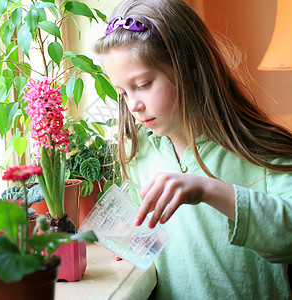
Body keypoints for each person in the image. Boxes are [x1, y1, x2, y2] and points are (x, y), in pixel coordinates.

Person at [94, 0, 292, 298]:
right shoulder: (140, 152)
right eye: (123, 92)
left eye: (144, 84)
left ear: (190, 69)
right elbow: (143, 238)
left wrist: (208, 190)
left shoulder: (259, 150)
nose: (133, 105)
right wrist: (129, 241)